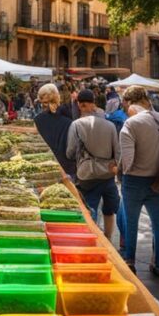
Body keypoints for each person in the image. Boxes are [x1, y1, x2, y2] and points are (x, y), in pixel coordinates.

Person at [118, 86, 159, 276]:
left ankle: (130, 261)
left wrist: (120, 171)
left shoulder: (130, 124)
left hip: (134, 181)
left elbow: (128, 160)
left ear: (130, 102)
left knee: (131, 222)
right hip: (157, 179)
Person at [66, 89, 120, 239]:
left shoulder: (76, 125)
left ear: (79, 105)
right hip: (108, 174)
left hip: (87, 175)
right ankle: (109, 240)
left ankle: (94, 241)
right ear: (93, 104)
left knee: (91, 209)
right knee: (110, 210)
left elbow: (70, 152)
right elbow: (118, 152)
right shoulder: (110, 126)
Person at [33, 83, 76, 179]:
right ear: (58, 97)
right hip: (68, 169)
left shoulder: (37, 120)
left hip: (45, 168)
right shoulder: (70, 121)